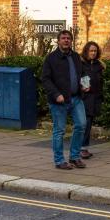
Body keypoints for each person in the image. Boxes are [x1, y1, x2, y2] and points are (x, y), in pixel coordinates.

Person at [41, 29, 87, 170]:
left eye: (68, 38)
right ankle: (59, 160)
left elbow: (82, 73)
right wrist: (56, 94)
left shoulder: (76, 57)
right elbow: (45, 79)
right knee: (59, 131)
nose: (66, 40)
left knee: (81, 125)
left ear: (71, 41)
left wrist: (85, 84)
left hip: (76, 98)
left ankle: (74, 157)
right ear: (58, 41)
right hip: (58, 101)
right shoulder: (51, 58)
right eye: (63, 38)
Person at [79, 41, 105, 160]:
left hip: (95, 98)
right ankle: (82, 148)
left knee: (89, 123)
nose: (93, 53)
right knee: (85, 123)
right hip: (84, 98)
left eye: (95, 51)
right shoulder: (81, 64)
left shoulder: (99, 65)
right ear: (86, 51)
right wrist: (82, 88)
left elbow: (100, 82)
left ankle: (83, 148)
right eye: (91, 51)